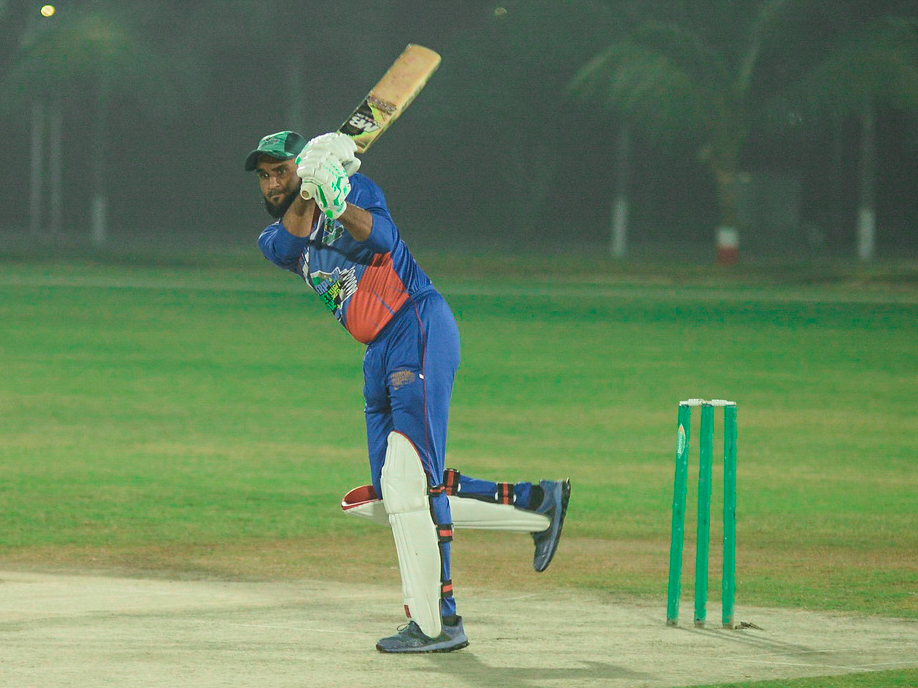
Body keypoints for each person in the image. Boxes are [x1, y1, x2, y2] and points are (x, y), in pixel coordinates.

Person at [247, 130, 571, 654]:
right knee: (392, 493)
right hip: (376, 352)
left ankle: (441, 621)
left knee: (411, 480)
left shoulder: (358, 189)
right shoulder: (273, 237)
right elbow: (293, 240)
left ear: (299, 163)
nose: (270, 183)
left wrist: (339, 200)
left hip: (413, 324)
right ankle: (536, 503)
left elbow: (382, 239)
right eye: (264, 176)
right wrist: (310, 188)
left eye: (279, 171)